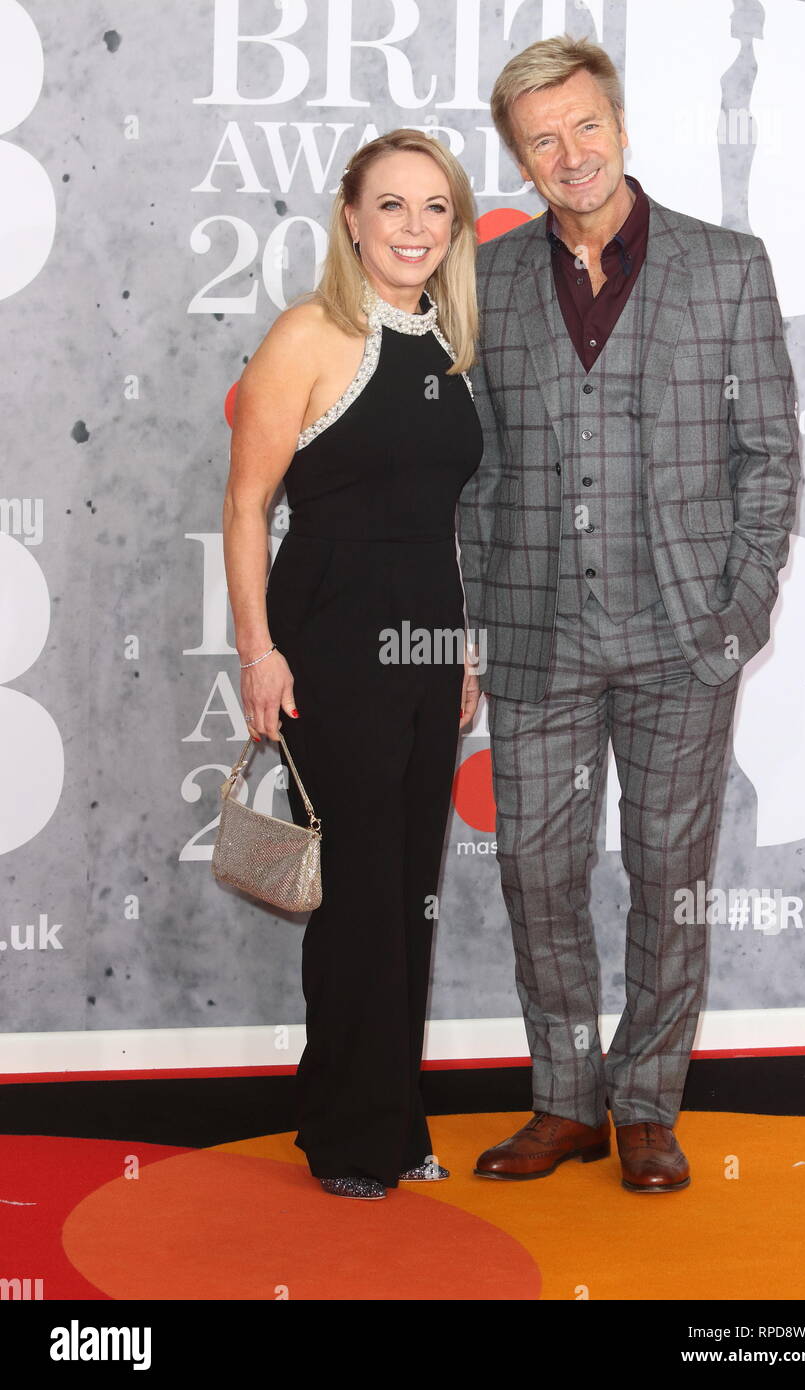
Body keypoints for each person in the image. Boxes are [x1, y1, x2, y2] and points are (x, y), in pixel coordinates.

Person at [457, 35, 800, 1192]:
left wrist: (736, 615)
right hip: (537, 634)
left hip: (679, 640)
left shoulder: (724, 265)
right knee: (536, 876)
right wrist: (471, 619)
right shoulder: (484, 279)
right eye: (541, 138)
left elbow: (766, 456)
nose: (569, 153)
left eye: (583, 126)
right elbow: (472, 467)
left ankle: (646, 1101)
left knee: (666, 872)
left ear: (619, 124)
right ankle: (564, 1099)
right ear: (518, 157)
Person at [222, 130, 482, 1199]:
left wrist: (460, 646)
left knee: (407, 884)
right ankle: (351, 1135)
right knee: (361, 892)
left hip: (426, 643)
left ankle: (373, 1103)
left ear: (452, 226)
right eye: (391, 206)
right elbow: (245, 504)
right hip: (329, 640)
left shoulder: (452, 348)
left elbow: (438, 520)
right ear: (350, 218)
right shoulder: (308, 335)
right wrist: (256, 649)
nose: (413, 227)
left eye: (434, 208)